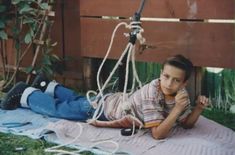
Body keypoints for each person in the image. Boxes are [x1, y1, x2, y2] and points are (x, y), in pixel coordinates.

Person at [0, 54, 209, 139]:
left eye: (175, 80)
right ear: (160, 74)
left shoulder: (180, 95)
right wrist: (177, 111)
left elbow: (184, 124)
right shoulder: (152, 94)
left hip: (110, 101)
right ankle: (27, 94)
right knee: (62, 109)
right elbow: (158, 134)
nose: (168, 83)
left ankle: (46, 85)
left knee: (77, 100)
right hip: (104, 111)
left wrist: (196, 109)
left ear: (184, 84)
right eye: (165, 76)